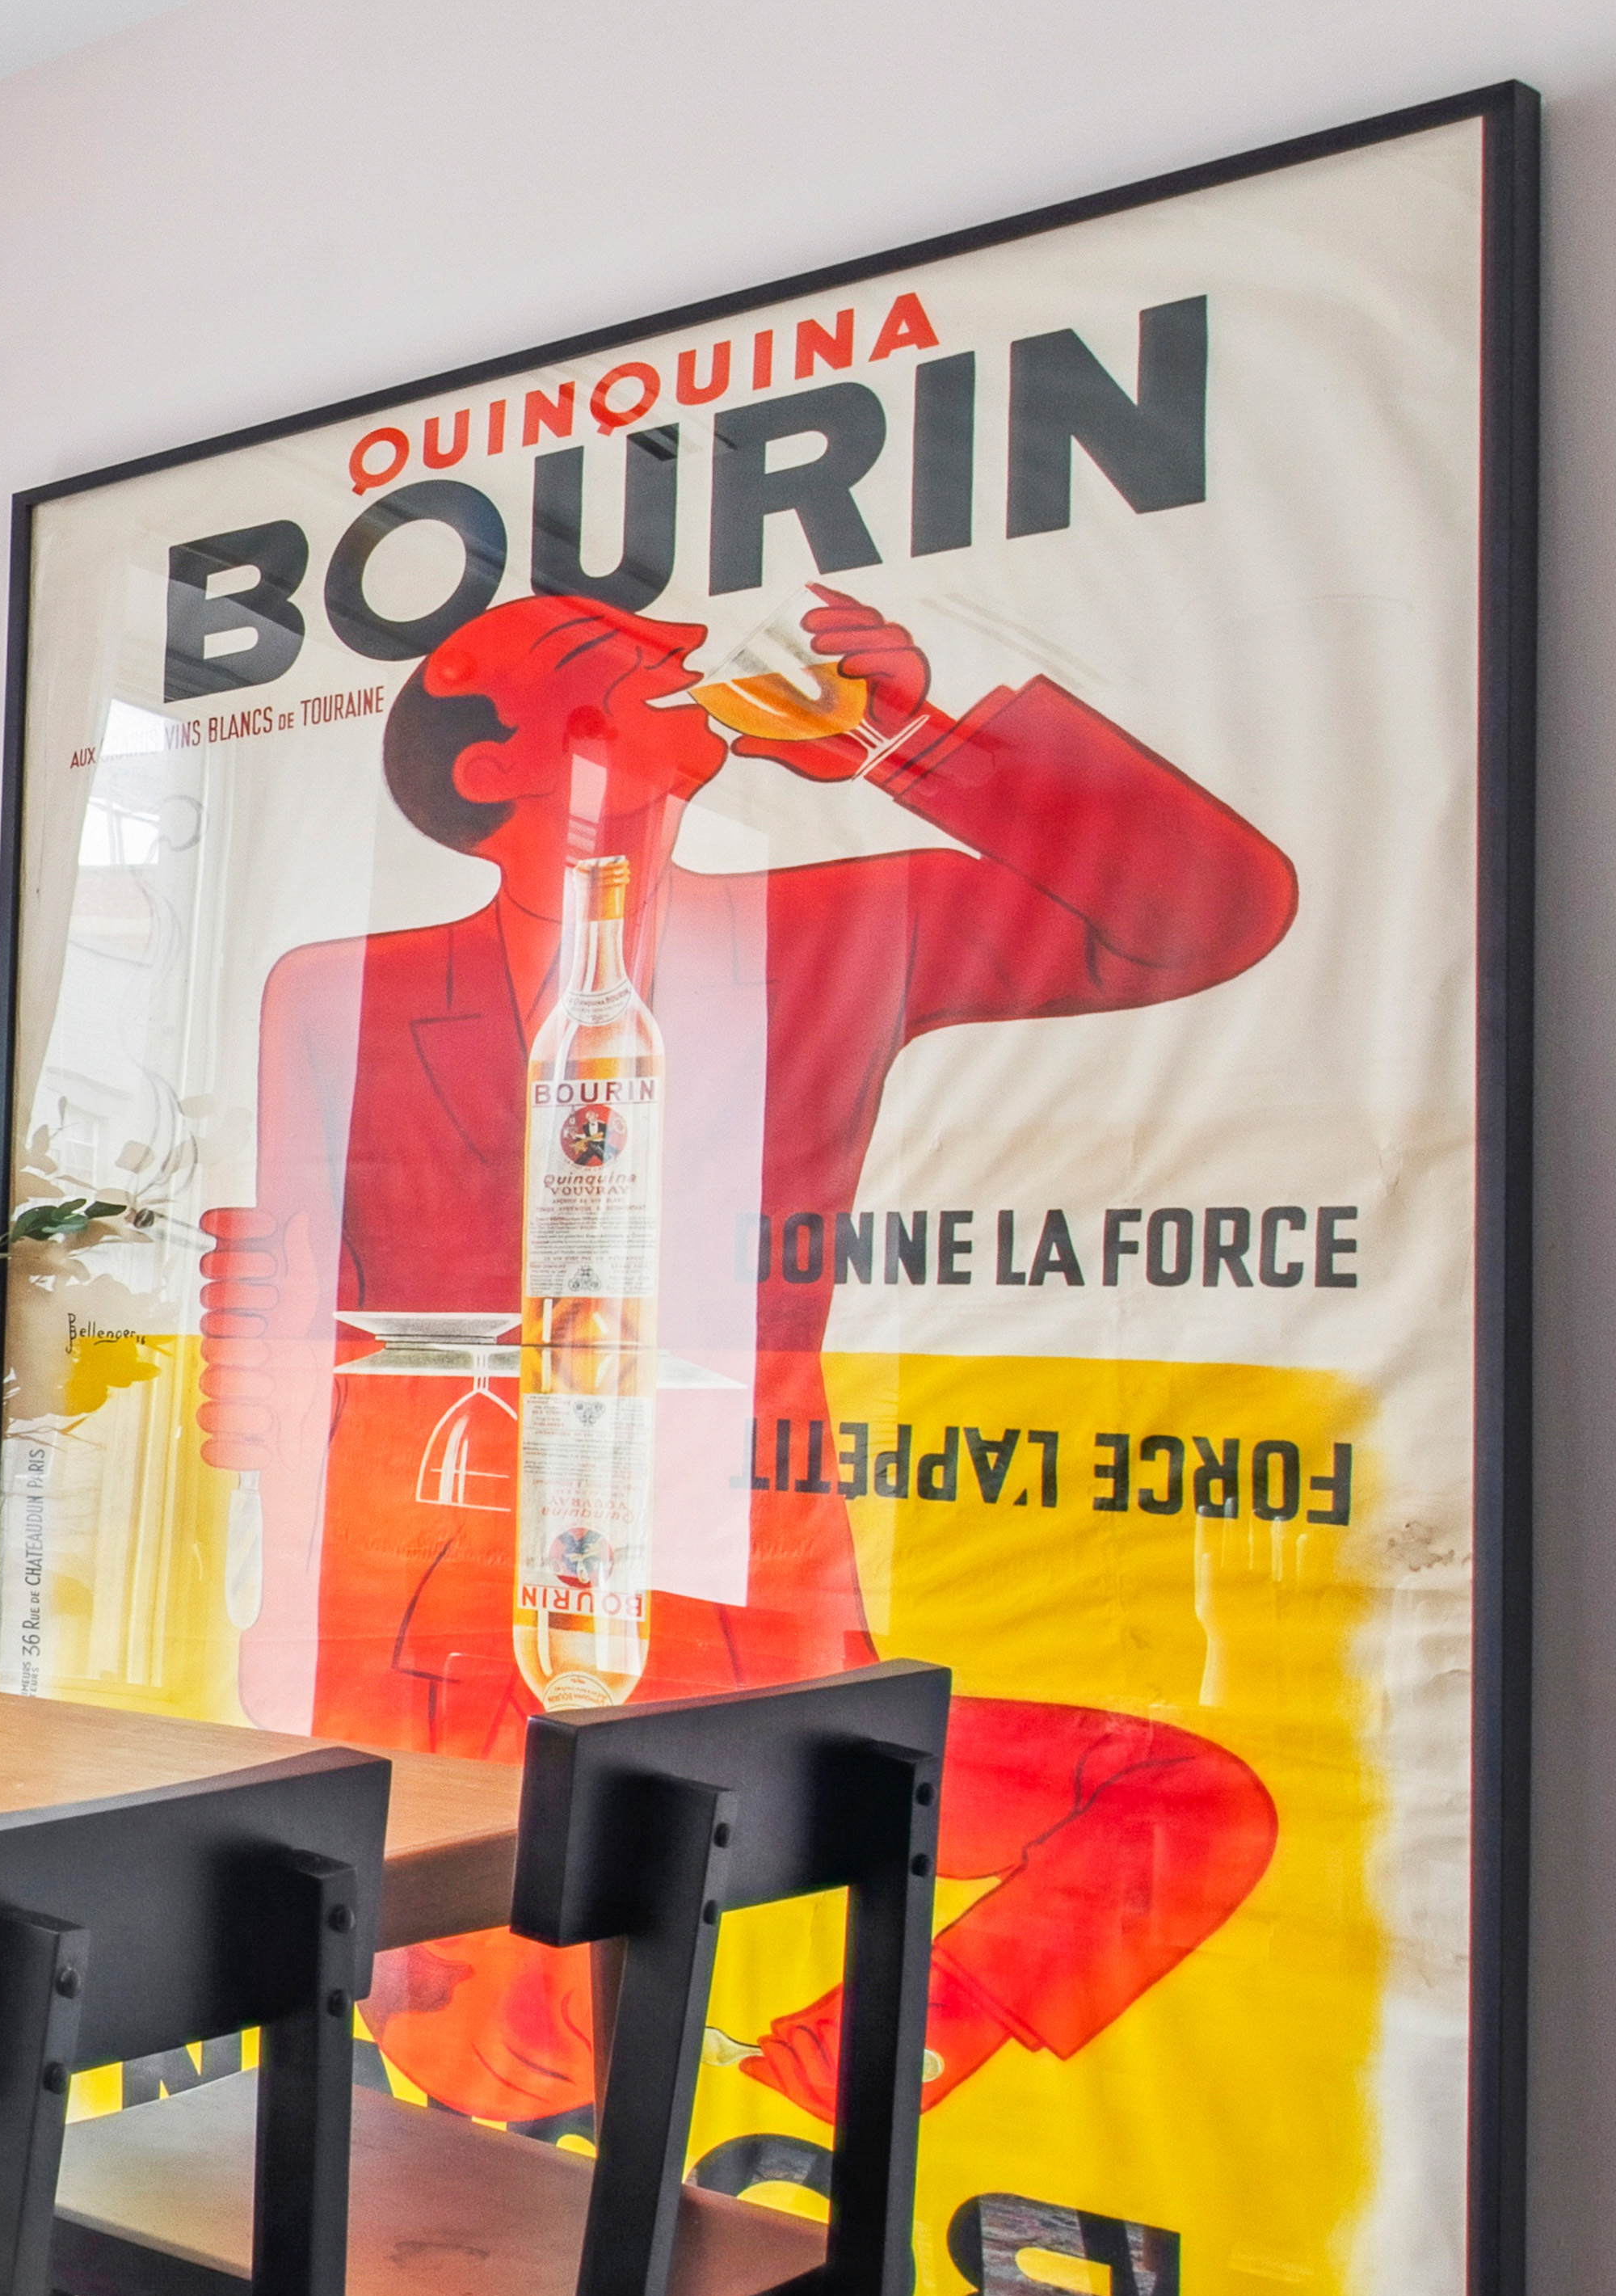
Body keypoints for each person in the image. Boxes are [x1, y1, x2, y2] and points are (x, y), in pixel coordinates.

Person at [197, 583, 1286, 2124]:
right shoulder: (338, 988)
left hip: (747, 1613)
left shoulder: (832, 927)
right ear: (498, 767)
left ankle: (835, 2081)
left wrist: (908, 735)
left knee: (1188, 1806)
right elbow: (284, 1319)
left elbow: (1208, 912)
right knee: (511, 2041)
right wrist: (290, 1640)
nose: (678, 661)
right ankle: (505, 2158)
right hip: (423, 1626)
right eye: (607, 662)